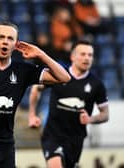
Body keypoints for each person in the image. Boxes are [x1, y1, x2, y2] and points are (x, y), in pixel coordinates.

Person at [0, 21, 71, 168]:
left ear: (16, 44)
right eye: (1, 37)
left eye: (10, 38)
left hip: (4, 149)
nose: (5, 41)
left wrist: (41, 54)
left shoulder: (22, 70)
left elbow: (64, 78)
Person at [28, 40, 109, 168]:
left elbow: (105, 114)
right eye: (82, 54)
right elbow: (36, 89)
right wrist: (32, 114)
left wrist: (90, 119)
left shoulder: (96, 84)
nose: (86, 58)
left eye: (90, 55)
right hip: (53, 135)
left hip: (75, 139)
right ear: (72, 56)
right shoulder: (59, 75)